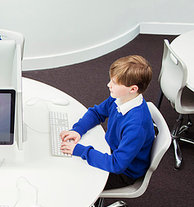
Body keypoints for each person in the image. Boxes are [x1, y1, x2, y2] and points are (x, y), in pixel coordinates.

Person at [60, 55, 155, 190]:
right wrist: (78, 130)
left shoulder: (136, 126)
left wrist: (80, 150)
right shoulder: (121, 98)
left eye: (115, 83)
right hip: (112, 150)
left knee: (71, 178)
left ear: (132, 89)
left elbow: (117, 164)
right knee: (68, 162)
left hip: (123, 172)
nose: (108, 85)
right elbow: (96, 113)